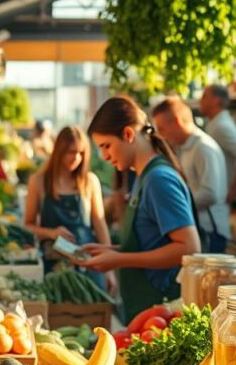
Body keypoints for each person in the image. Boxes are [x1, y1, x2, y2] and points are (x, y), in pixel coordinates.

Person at [78, 96, 201, 322]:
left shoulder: (158, 179)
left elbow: (188, 248)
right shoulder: (144, 176)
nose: (104, 156)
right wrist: (112, 249)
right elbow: (152, 240)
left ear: (127, 134)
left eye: (106, 146)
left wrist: (119, 259)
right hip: (148, 310)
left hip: (162, 311)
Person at [24, 127, 114, 291]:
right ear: (59, 151)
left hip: (86, 259)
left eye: (81, 153)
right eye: (71, 152)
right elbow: (28, 225)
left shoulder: (89, 181)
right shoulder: (39, 181)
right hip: (53, 263)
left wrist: (109, 268)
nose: (76, 158)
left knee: (94, 306)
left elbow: (100, 224)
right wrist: (50, 233)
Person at [151, 97, 231, 253]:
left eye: (162, 129)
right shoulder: (186, 147)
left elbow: (210, 194)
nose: (160, 136)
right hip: (200, 229)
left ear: (177, 122)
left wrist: (176, 205)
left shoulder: (203, 148)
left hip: (210, 232)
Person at [199, 85, 236, 203]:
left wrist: (233, 190)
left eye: (204, 96)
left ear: (216, 100)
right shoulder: (216, 123)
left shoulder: (221, 126)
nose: (200, 100)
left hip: (219, 197)